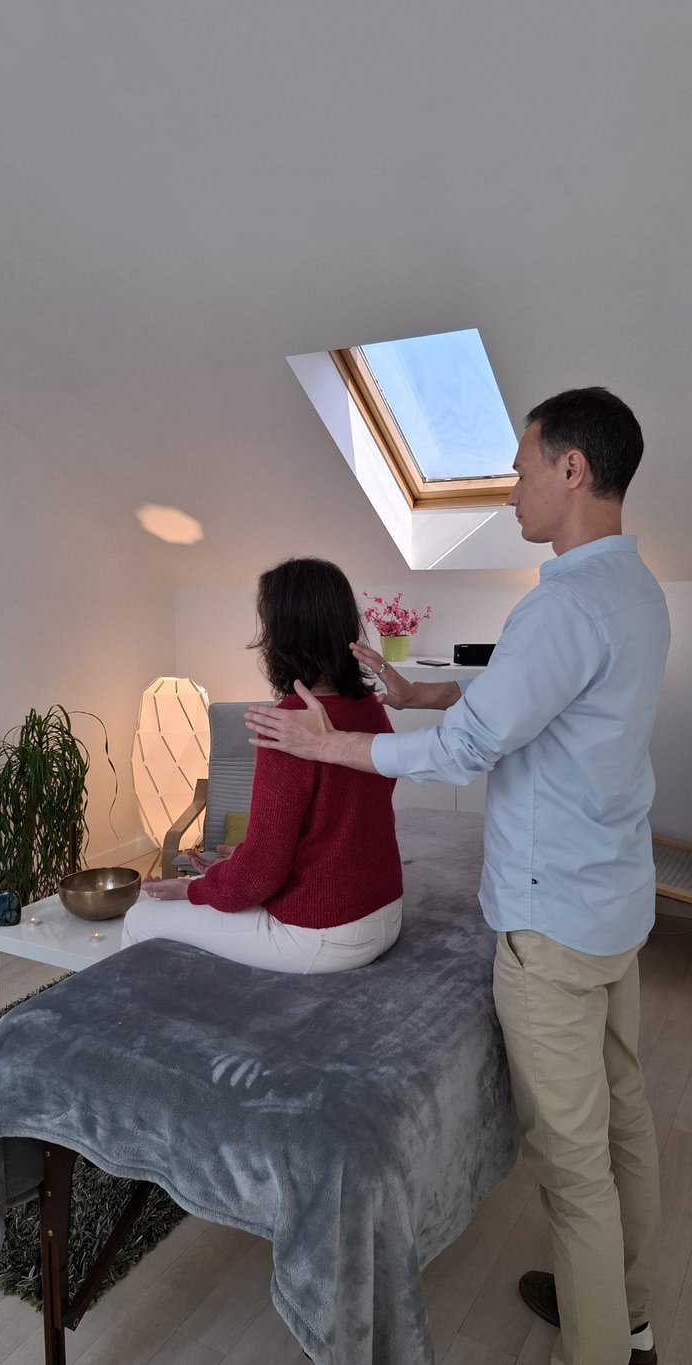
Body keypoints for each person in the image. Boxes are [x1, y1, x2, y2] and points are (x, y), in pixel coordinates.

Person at [245, 389, 669, 1365]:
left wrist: (334, 744)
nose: (512, 489)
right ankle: (630, 1305)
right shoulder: (631, 589)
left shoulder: (561, 603)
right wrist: (419, 690)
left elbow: (473, 747)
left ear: (571, 471)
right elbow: (537, 696)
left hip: (550, 925)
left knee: (575, 1170)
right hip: (613, 907)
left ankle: (604, 1344)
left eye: (523, 468)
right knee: (626, 1117)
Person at [122, 556, 403, 973]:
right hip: (385, 912)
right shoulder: (370, 709)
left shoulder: (286, 724)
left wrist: (194, 889)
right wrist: (237, 861)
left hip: (325, 933)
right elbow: (333, 828)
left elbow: (259, 879)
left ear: (283, 636)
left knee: (139, 918)